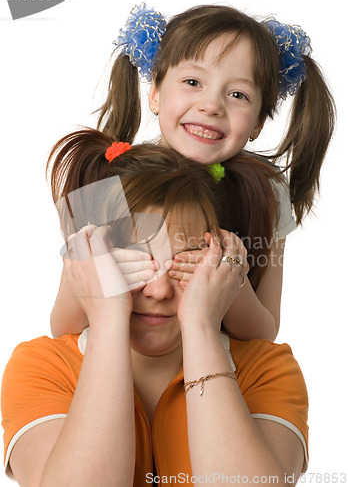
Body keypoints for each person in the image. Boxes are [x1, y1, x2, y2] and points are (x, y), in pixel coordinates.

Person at [1, 129, 308, 486]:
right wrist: (106, 318)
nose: (159, 290)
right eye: (134, 266)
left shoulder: (266, 370)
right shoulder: (41, 367)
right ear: (92, 267)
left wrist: (201, 327)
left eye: (183, 265)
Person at [50, 3, 336, 342]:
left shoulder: (267, 193)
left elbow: (264, 333)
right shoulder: (113, 177)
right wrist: (91, 279)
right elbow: (61, 328)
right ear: (155, 92)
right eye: (192, 81)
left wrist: (232, 285)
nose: (212, 105)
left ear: (259, 121)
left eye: (238, 94)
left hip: (214, 374)